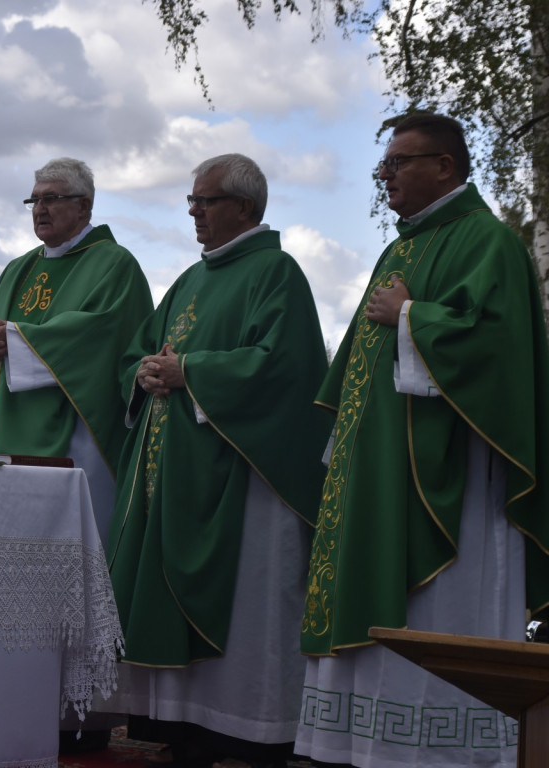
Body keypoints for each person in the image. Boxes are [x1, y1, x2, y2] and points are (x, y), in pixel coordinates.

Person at [295, 113, 549, 768]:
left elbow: (499, 350)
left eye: (399, 163)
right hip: (377, 467)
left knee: (435, 610)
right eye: (384, 165)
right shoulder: (400, 246)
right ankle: (360, 746)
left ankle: (441, 752)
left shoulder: (488, 242)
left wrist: (411, 316)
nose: (385, 177)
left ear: (445, 166)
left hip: (451, 477)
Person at [106, 153, 331, 768]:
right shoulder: (191, 278)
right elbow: (141, 351)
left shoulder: (275, 272)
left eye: (205, 201)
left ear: (246, 208)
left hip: (243, 475)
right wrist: (146, 371)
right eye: (191, 200)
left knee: (251, 602)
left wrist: (192, 372)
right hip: (176, 468)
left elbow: (284, 367)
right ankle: (184, 725)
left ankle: (251, 728)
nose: (193, 211)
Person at [0, 157, 152, 544]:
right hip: (6, 425)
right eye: (34, 201)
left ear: (84, 206)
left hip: (73, 430)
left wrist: (17, 340)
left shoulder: (114, 263)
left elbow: (100, 333)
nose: (39, 209)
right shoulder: (20, 267)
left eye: (51, 199)